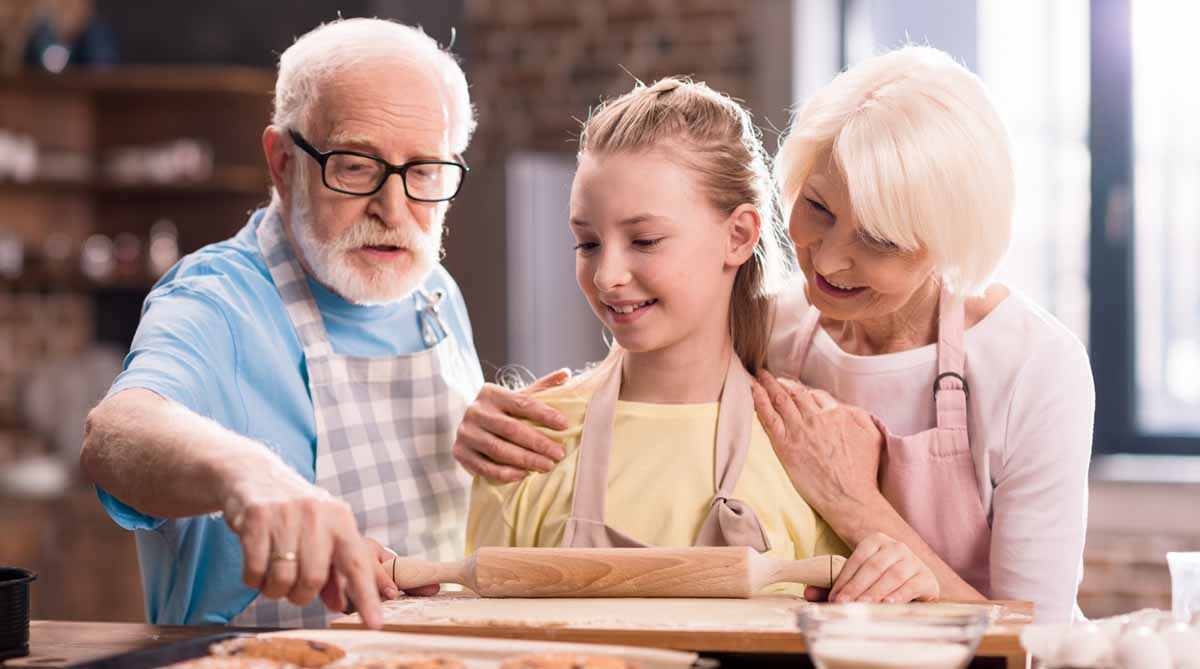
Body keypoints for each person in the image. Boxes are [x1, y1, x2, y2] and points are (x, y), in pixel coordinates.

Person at [454, 47, 1094, 623]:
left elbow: (1039, 640)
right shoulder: (776, 323)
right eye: (818, 208)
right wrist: (490, 414)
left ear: (950, 242)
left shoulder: (1033, 367)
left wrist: (854, 505)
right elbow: (658, 348)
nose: (828, 260)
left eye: (878, 241)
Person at [465, 77, 940, 603]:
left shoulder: (812, 450)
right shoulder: (524, 443)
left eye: (644, 240)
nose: (606, 275)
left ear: (737, 236)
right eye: (588, 242)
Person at [80, 18, 483, 628]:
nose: (394, 208)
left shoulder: (433, 291)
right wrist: (249, 475)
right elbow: (116, 433)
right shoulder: (217, 300)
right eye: (355, 165)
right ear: (283, 161)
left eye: (424, 171)